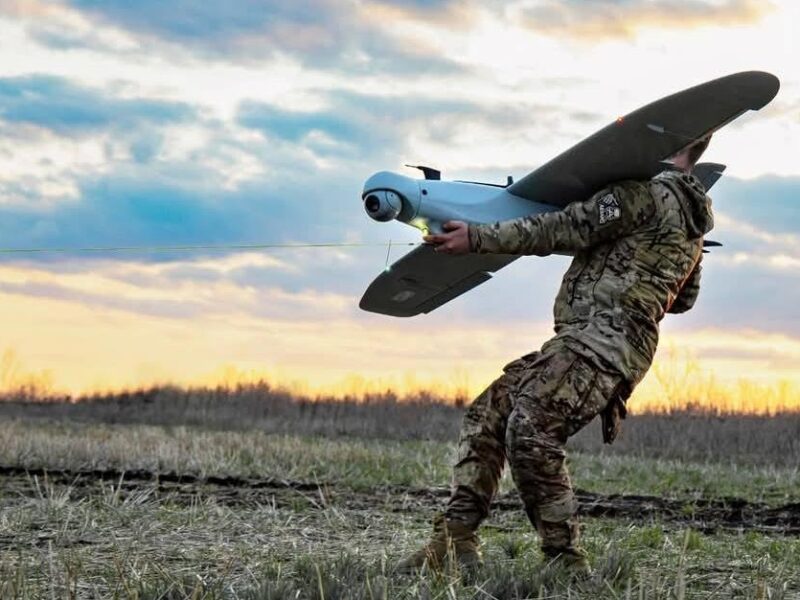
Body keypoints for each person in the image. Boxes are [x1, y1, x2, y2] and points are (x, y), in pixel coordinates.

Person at [396, 137, 714, 575]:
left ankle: (564, 562)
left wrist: (477, 238)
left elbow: (562, 227)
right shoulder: (695, 227)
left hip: (600, 344)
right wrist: (647, 262)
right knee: (488, 413)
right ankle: (453, 542)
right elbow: (684, 299)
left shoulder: (640, 194)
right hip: (596, 346)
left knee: (531, 427)